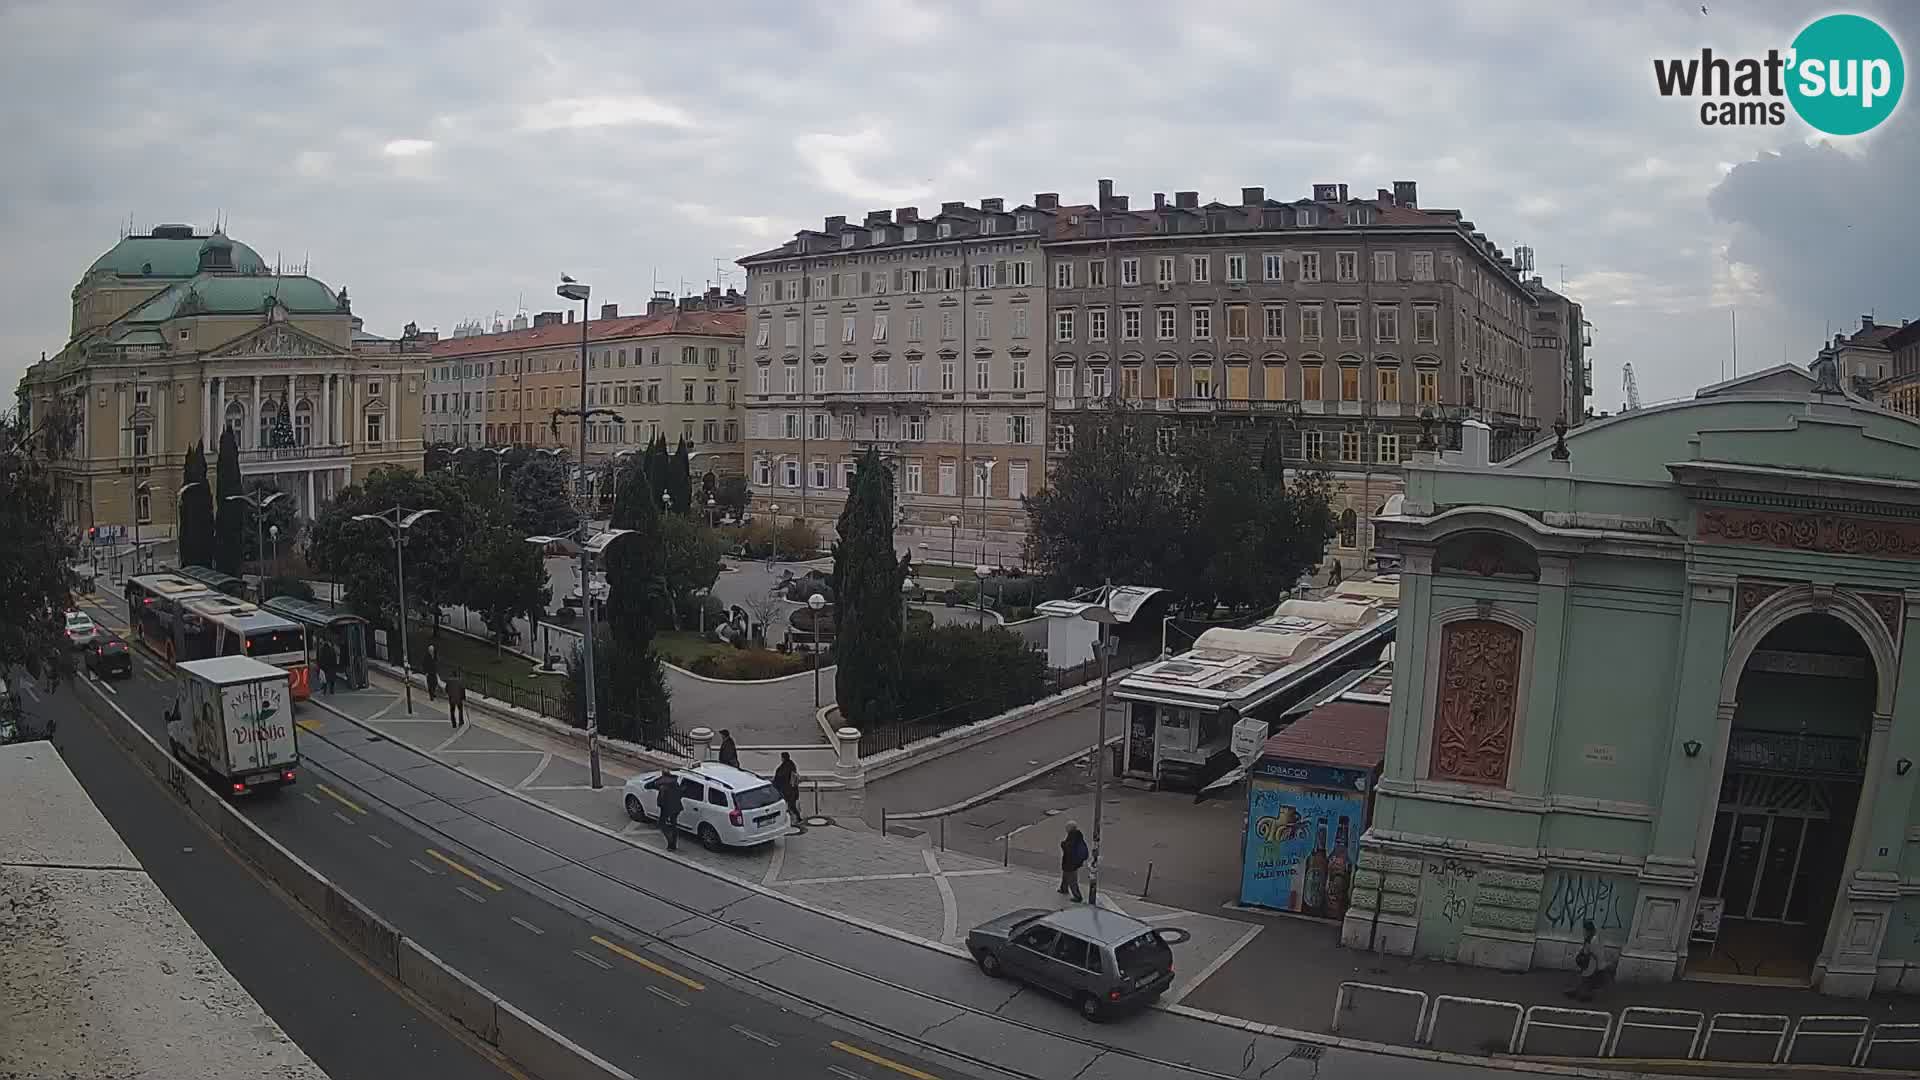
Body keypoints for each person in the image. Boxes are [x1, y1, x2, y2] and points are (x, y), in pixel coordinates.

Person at [1565, 919, 1605, 1002]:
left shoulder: (1593, 939)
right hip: (1589, 962)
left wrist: (1598, 967)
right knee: (1584, 978)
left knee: (1587, 979)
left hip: (1592, 963)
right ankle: (1580, 992)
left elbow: (1596, 953)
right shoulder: (1590, 938)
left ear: (1588, 930)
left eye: (1584, 930)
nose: (1583, 932)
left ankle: (1584, 994)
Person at [653, 771, 684, 852]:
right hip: (677, 806)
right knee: (674, 825)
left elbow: (651, 784)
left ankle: (670, 843)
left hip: (666, 808)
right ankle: (673, 844)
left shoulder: (663, 785)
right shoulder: (675, 783)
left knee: (661, 824)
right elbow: (680, 793)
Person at [1059, 820, 1088, 902]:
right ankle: (1063, 889)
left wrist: (1063, 844)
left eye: (1067, 827)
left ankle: (1078, 896)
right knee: (1065, 876)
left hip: (1071, 862)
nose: (1065, 829)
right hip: (1072, 862)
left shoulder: (1072, 837)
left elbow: (1069, 849)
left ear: (1070, 828)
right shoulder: (1076, 835)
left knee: (1072, 880)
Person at [773, 751, 800, 820]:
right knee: (791, 805)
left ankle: (795, 818)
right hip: (793, 789)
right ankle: (796, 818)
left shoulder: (782, 768)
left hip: (786, 790)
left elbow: (778, 779)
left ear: (783, 758)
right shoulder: (792, 765)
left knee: (788, 806)